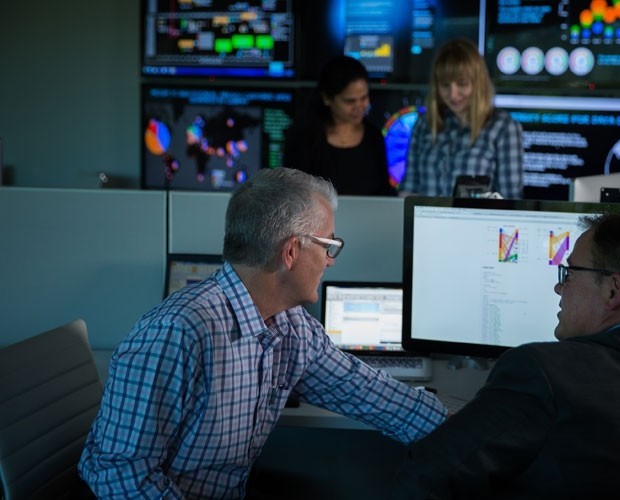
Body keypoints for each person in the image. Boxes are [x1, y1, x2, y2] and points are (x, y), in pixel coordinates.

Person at [78, 167, 446, 498]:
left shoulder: (291, 326)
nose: (331, 260)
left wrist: (486, 423)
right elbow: (120, 475)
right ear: (290, 252)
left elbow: (373, 396)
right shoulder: (177, 333)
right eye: (329, 245)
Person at [390, 212, 620, 499]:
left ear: (613, 291)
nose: (560, 289)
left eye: (570, 274)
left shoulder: (543, 372)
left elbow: (428, 473)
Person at [398, 38, 524, 199]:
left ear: (478, 83)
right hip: (426, 223)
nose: (453, 94)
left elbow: (511, 200)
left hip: (479, 224)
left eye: (462, 84)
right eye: (445, 85)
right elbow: (409, 189)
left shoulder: (503, 128)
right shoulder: (424, 124)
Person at [283, 55, 396, 196]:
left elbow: (383, 192)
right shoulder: (303, 139)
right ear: (327, 98)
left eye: (364, 98)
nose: (360, 106)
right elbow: (291, 194)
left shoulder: (374, 138)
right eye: (350, 101)